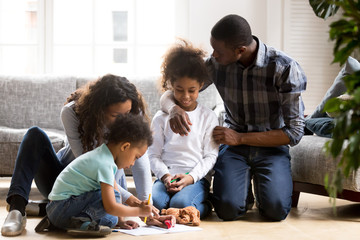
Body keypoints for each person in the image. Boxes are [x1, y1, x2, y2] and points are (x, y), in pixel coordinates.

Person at [160, 15, 307, 221]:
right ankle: (241, 194)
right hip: (233, 148)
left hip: (271, 146)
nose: (213, 55)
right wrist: (173, 109)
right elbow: (173, 86)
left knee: (276, 211)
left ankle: (262, 190)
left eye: (218, 51)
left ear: (240, 51)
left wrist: (239, 138)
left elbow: (295, 132)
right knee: (228, 210)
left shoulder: (285, 68)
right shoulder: (216, 64)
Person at [1, 74, 154, 236]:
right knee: (35, 135)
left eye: (128, 113)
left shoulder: (129, 114)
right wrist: (131, 201)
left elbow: (139, 159)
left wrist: (147, 207)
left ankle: (48, 212)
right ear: (99, 110)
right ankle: (17, 208)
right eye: (116, 116)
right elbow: (90, 163)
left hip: (95, 190)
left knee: (112, 217)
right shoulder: (72, 112)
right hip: (64, 182)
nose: (124, 121)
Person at [45, 114, 162, 237]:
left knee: (112, 219)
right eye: (135, 157)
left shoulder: (102, 156)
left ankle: (61, 222)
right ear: (125, 146)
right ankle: (77, 223)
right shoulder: (104, 164)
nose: (133, 163)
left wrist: (121, 220)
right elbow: (111, 206)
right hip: (62, 208)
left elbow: (116, 191)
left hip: (57, 208)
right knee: (111, 210)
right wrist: (139, 211)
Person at [148, 40, 219, 219]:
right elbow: (153, 154)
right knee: (155, 204)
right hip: (166, 177)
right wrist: (165, 176)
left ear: (201, 85)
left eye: (192, 90)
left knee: (180, 204)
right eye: (179, 90)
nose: (186, 96)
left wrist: (191, 177)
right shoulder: (161, 117)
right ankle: (177, 212)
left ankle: (206, 204)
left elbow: (210, 155)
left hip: (194, 178)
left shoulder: (208, 117)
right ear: (170, 84)